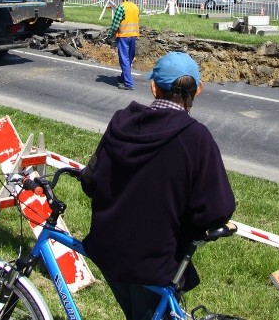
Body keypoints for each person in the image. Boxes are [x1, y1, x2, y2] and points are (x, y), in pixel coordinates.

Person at [81, 51, 236, 320]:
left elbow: (90, 181)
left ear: (153, 87)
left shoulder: (120, 121)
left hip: (106, 250)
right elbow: (216, 210)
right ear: (198, 91)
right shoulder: (196, 138)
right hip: (155, 262)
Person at [105, 0, 139, 90]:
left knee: (124, 59)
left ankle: (128, 83)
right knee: (129, 58)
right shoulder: (135, 7)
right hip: (133, 35)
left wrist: (109, 36)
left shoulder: (121, 7)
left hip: (124, 36)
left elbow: (115, 24)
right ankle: (124, 76)